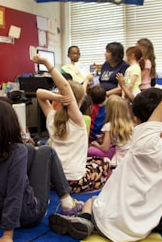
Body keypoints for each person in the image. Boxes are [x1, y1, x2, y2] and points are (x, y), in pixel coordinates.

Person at [48, 54, 162, 242]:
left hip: (108, 220)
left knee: (91, 201)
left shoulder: (142, 139)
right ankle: (160, 224)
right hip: (141, 228)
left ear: (137, 120)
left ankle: (85, 219)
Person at [0, 98, 83, 242]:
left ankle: (67, 203)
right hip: (28, 216)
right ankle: (68, 204)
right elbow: (15, 193)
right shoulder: (16, 150)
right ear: (11, 124)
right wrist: (7, 233)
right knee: (47, 151)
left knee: (31, 150)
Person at [33, 54, 111, 193]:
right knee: (104, 163)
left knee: (90, 160)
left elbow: (39, 93)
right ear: (80, 102)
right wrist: (46, 63)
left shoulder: (51, 116)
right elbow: (64, 86)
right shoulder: (78, 120)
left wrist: (57, 97)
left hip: (54, 181)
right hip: (74, 182)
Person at [88, 95, 134, 167]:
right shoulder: (130, 124)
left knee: (90, 150)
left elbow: (105, 148)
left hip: (119, 155)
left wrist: (96, 144)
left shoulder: (109, 126)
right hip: (130, 154)